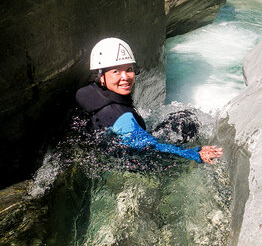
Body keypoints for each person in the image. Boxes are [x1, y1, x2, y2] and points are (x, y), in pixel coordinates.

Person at [75, 37, 223, 164]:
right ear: (101, 76)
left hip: (114, 148)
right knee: (185, 122)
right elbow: (150, 147)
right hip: (133, 160)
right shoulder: (118, 115)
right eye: (116, 71)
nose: (125, 77)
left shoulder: (93, 94)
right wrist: (195, 154)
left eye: (129, 69)